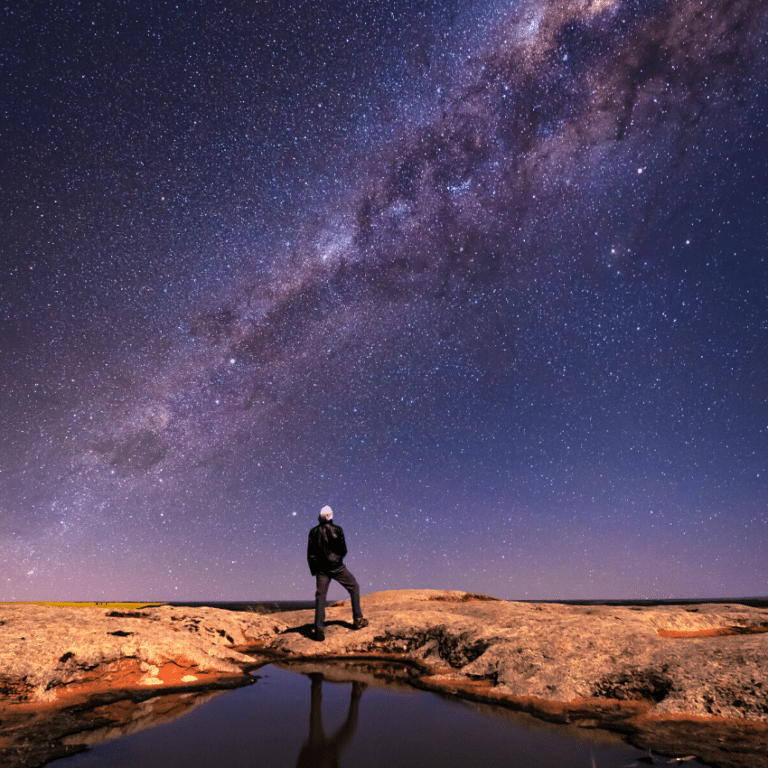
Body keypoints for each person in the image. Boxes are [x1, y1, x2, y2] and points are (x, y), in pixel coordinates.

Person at [307, 505, 368, 641]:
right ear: (331, 516)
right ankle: (358, 619)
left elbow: (310, 554)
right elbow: (343, 549)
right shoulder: (337, 530)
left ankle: (318, 630)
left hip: (321, 569)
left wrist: (315, 570)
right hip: (337, 567)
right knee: (354, 587)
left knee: (320, 597)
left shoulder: (313, 532)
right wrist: (337, 560)